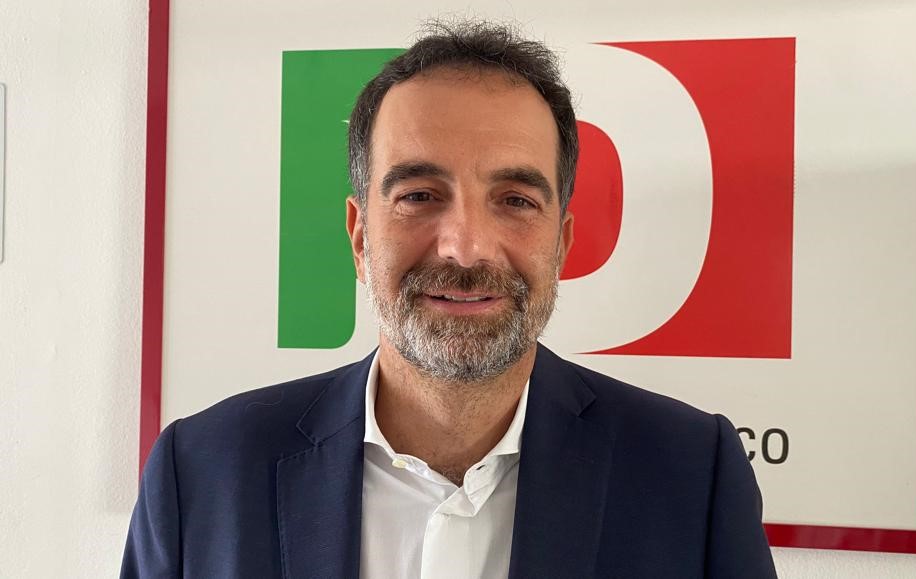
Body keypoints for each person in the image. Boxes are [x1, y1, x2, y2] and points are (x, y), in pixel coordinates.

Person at [121, 20, 777, 579]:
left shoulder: (692, 476)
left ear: (561, 242)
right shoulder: (201, 473)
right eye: (418, 196)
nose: (465, 248)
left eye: (515, 200)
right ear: (359, 237)